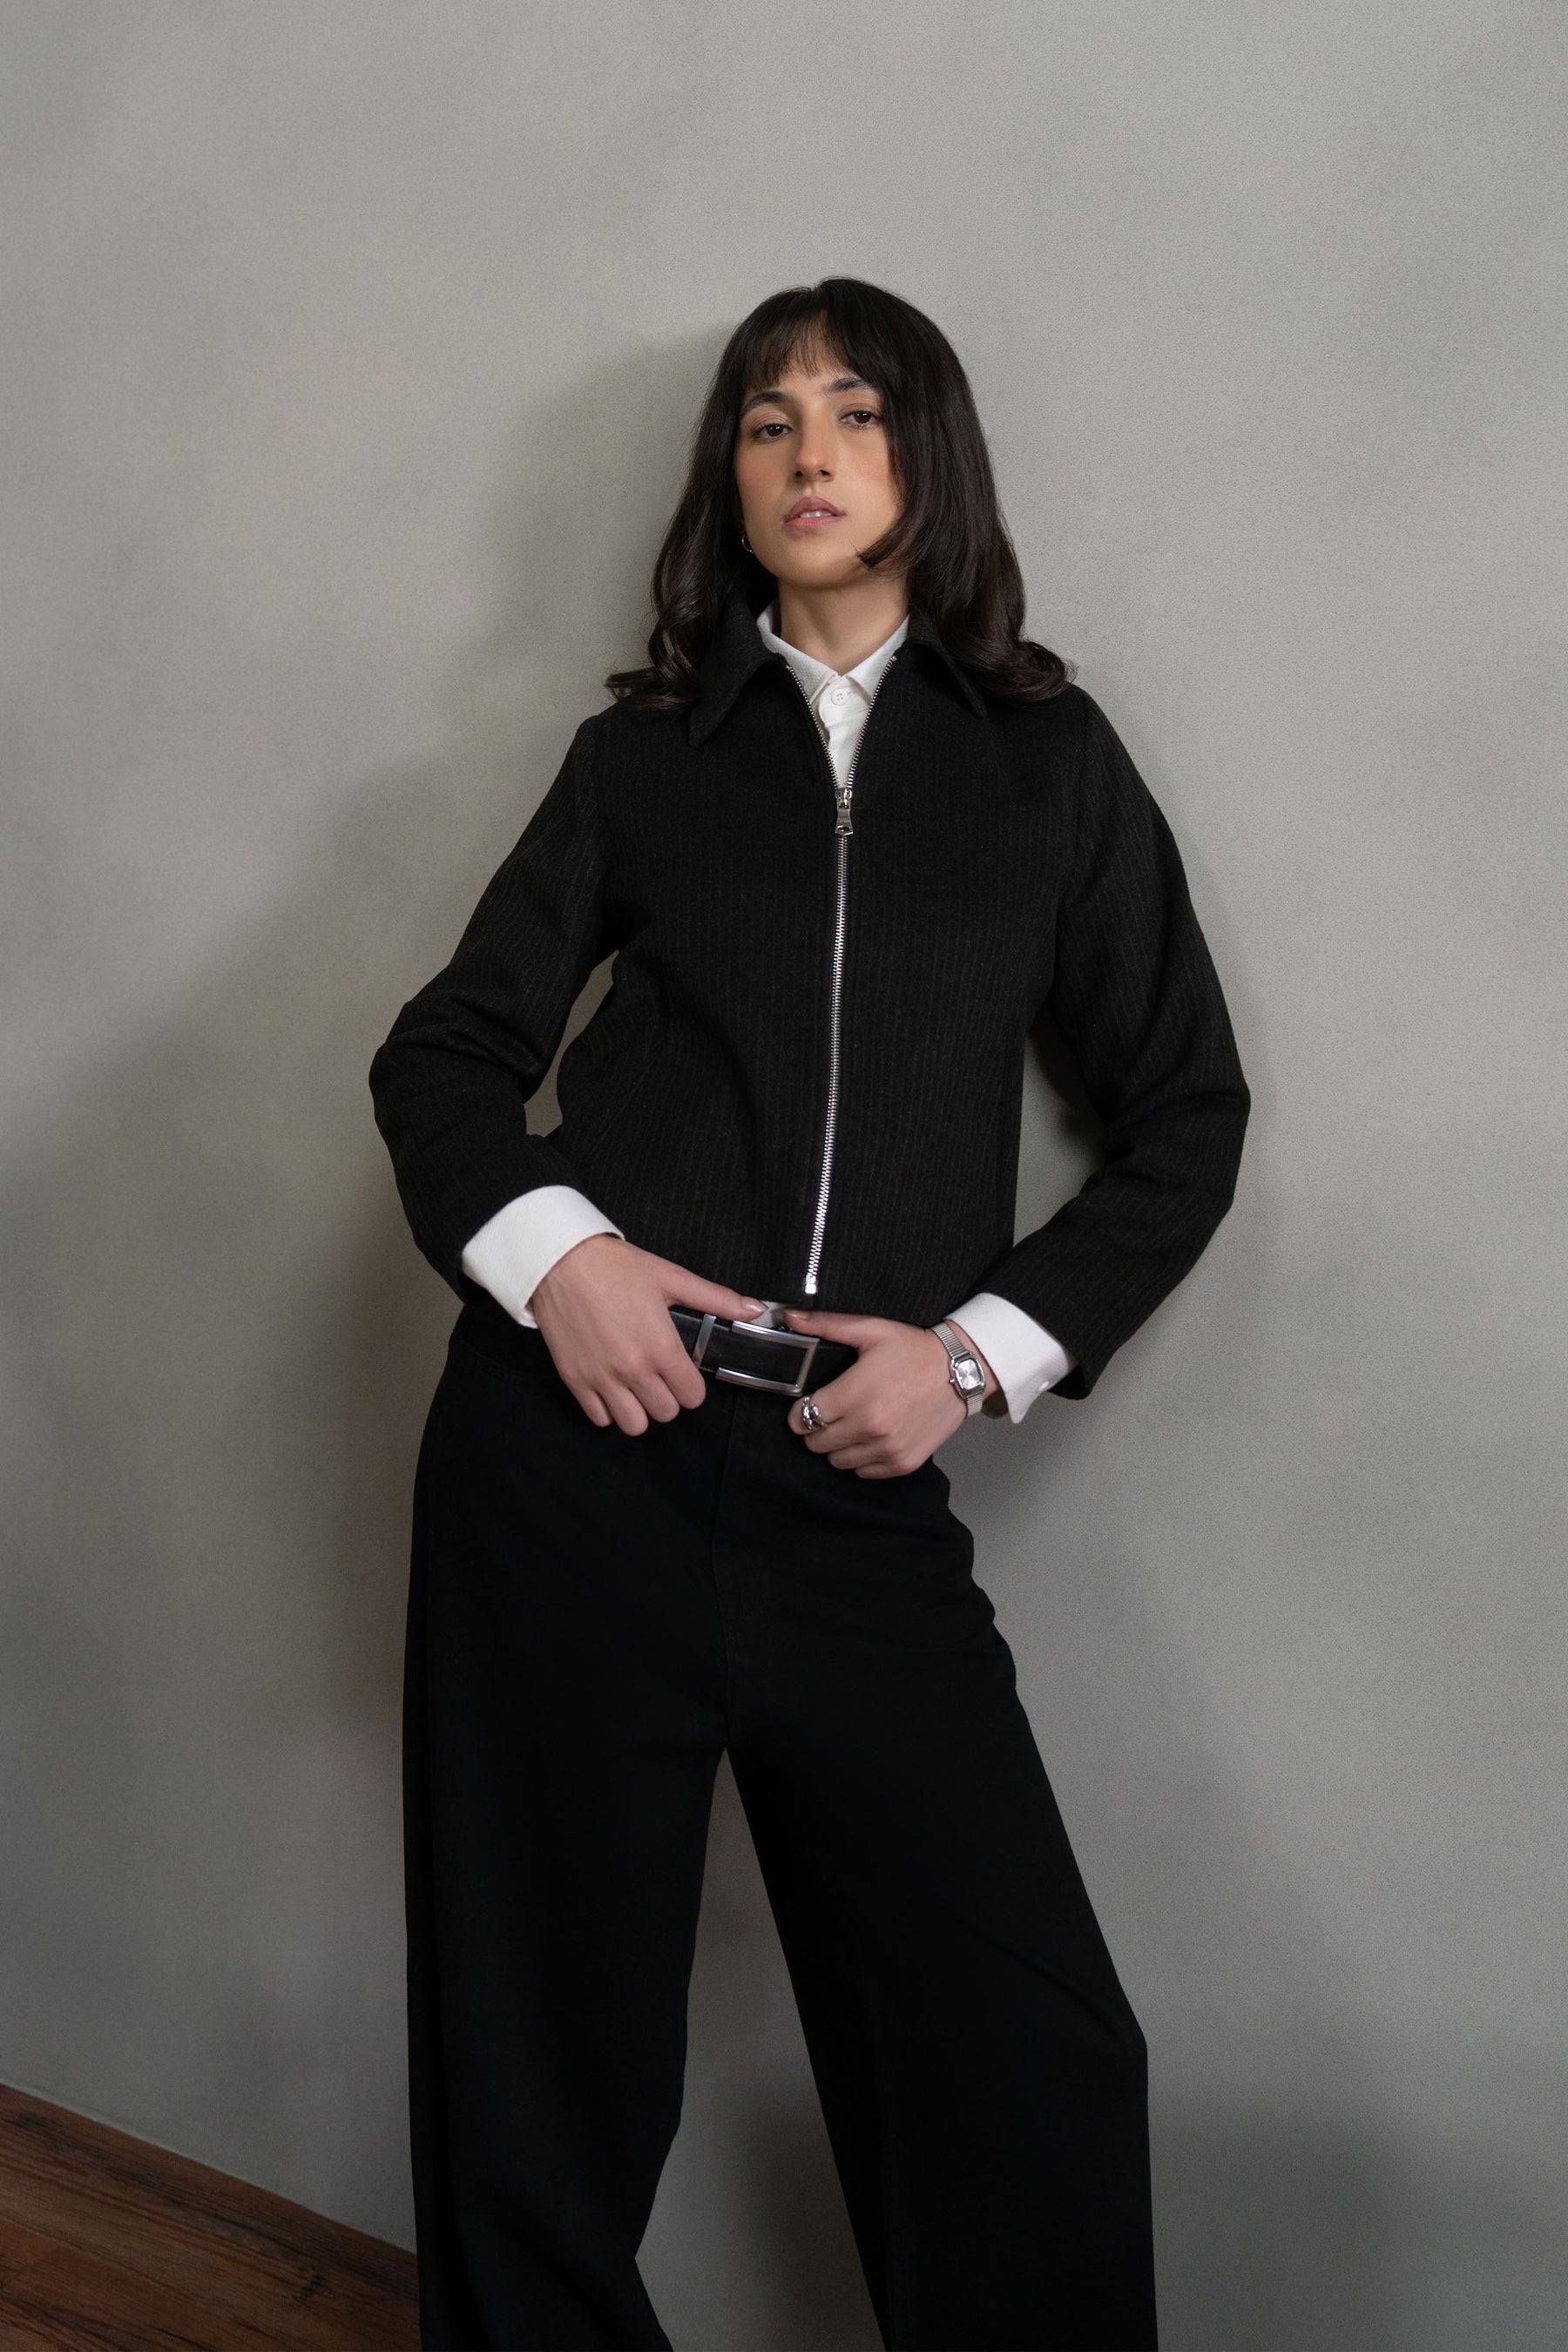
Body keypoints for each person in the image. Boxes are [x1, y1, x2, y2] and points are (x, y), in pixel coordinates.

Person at [368, 274, 1250, 2352]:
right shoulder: (642, 760)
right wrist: (563, 1262)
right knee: (540, 2058)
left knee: (1027, 2051)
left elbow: (1187, 1119)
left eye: (855, 411)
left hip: (855, 1497)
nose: (811, 452)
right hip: (573, 1464)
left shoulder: (1048, 766)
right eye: (767, 421)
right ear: (730, 479)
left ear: (928, 460)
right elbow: (444, 1059)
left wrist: (971, 1362)